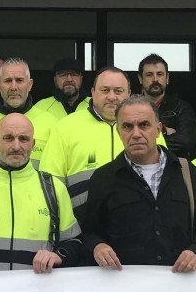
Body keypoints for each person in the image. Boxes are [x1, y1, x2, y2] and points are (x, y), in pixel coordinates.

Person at [81, 95, 196, 272]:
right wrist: (98, 246)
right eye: (128, 126)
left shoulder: (188, 174)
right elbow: (89, 232)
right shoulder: (103, 178)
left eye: (144, 125)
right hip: (124, 289)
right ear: (119, 132)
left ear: (158, 129)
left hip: (180, 289)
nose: (136, 134)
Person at [0, 113, 84, 275]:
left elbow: (73, 241)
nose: (16, 146)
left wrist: (58, 256)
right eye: (8, 138)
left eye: (23, 139)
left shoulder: (54, 188)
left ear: (33, 144)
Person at [40, 67, 154, 210]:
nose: (112, 97)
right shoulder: (66, 126)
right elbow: (50, 182)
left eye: (118, 91)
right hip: (82, 226)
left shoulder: (147, 127)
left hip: (136, 223)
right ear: (93, 92)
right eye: (105, 90)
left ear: (129, 94)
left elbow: (161, 176)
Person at [0, 57, 53, 170]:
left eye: (19, 80)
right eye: (8, 81)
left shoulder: (50, 123)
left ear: (30, 84)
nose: (13, 87)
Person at [137, 53, 196, 158]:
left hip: (173, 170)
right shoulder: (130, 108)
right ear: (140, 78)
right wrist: (164, 131)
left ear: (167, 78)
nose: (155, 79)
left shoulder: (181, 108)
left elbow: (185, 143)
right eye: (149, 74)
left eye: (160, 74)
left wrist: (142, 144)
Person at [37, 57, 87, 125]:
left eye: (74, 75)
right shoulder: (41, 107)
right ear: (55, 80)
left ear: (81, 79)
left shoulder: (95, 104)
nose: (69, 79)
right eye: (63, 75)